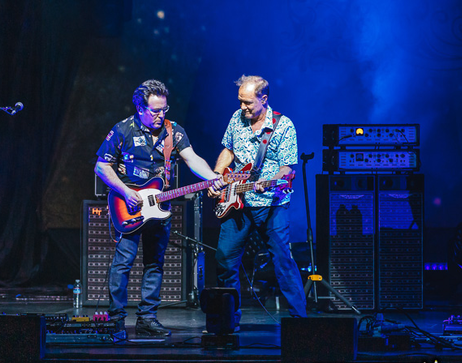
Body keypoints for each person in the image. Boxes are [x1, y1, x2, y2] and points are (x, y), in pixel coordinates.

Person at [95, 79, 223, 337]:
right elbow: (102, 166)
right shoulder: (123, 130)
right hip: (129, 205)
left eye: (164, 109)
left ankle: (147, 319)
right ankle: (116, 320)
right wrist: (126, 192)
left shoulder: (173, 132)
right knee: (123, 263)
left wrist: (212, 177)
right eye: (155, 110)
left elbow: (192, 159)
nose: (160, 115)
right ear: (140, 108)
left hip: (159, 208)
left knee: (155, 263)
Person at [208, 75, 308, 327]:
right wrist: (217, 176)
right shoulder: (236, 118)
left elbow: (287, 169)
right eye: (240, 101)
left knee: (283, 260)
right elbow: (228, 150)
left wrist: (270, 180)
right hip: (237, 201)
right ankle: (229, 320)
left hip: (271, 204)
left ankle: (300, 323)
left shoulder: (284, 126)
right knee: (224, 259)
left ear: (264, 98)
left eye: (248, 103)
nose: (243, 107)